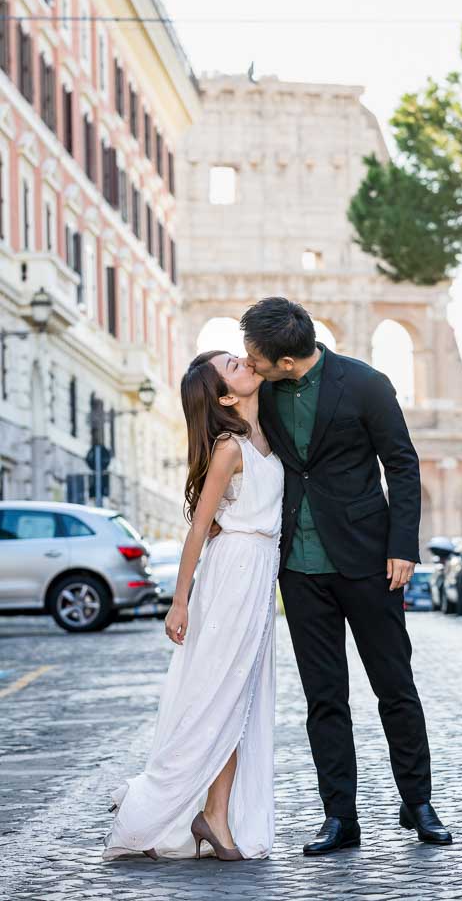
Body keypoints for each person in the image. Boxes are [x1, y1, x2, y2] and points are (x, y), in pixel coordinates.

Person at [240, 296, 453, 856]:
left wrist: (403, 545)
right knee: (324, 698)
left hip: (369, 563)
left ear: (286, 359)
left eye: (256, 355)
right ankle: (340, 817)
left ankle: (419, 801)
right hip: (299, 568)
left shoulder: (365, 383)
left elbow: (402, 465)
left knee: (395, 688)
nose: (250, 362)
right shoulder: (259, 392)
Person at [102, 350, 283, 861]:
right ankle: (182, 810)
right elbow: (199, 529)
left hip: (258, 574)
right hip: (231, 575)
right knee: (218, 697)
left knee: (239, 700)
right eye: (234, 365)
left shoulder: (267, 435)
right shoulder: (229, 447)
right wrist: (179, 603)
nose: (246, 363)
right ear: (226, 396)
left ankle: (217, 815)